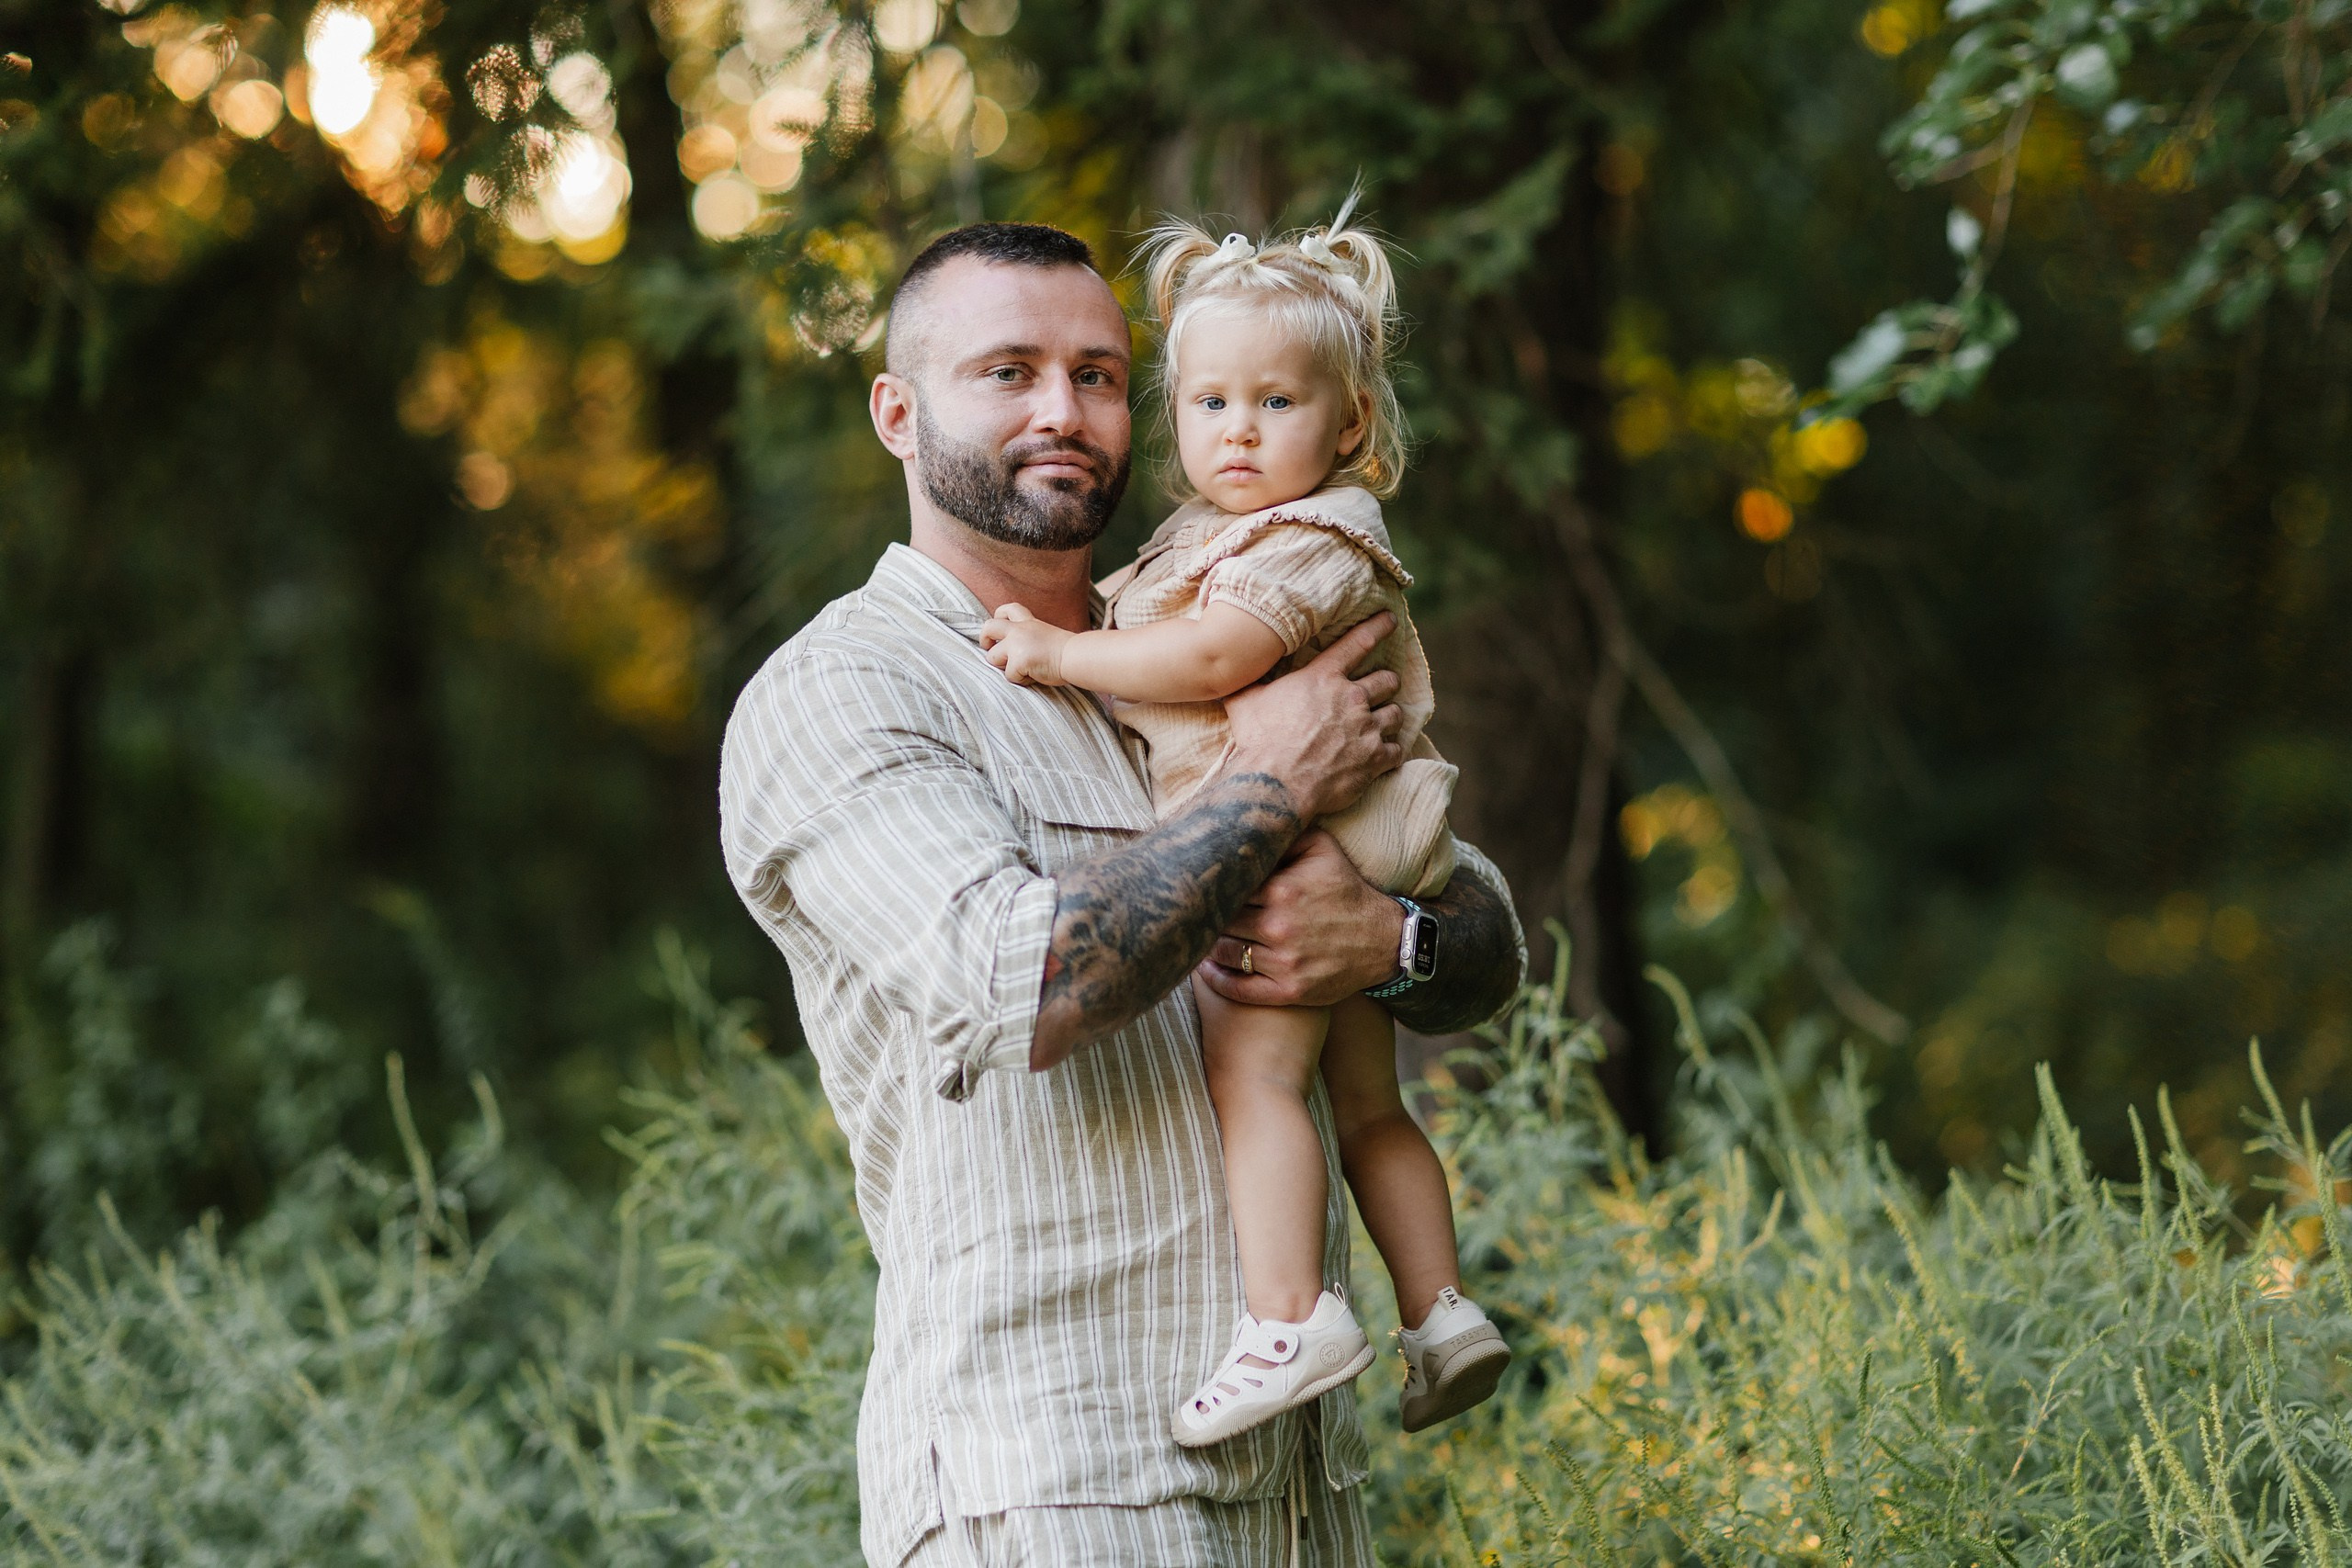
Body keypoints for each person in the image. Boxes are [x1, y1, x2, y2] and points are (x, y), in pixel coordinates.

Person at [718, 220, 1524, 1568]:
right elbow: (1022, 982)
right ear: (898, 414)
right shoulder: (846, 690)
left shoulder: (1205, 622)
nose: (1064, 410)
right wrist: (1264, 788)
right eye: (1008, 372)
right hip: (1052, 1487)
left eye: (1097, 374)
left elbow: (1481, 937)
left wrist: (1385, 936)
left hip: (1301, 1505)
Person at [979, 206, 1510, 1449]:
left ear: (1349, 425)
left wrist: (1062, 653)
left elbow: (1220, 651)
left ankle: (1290, 1317)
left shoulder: (1313, 534)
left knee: (1252, 1073)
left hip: (1306, 851)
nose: (1239, 431)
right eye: (1211, 402)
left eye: (1276, 405)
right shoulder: (1216, 534)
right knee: (1368, 1104)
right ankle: (1439, 1313)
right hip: (1360, 848)